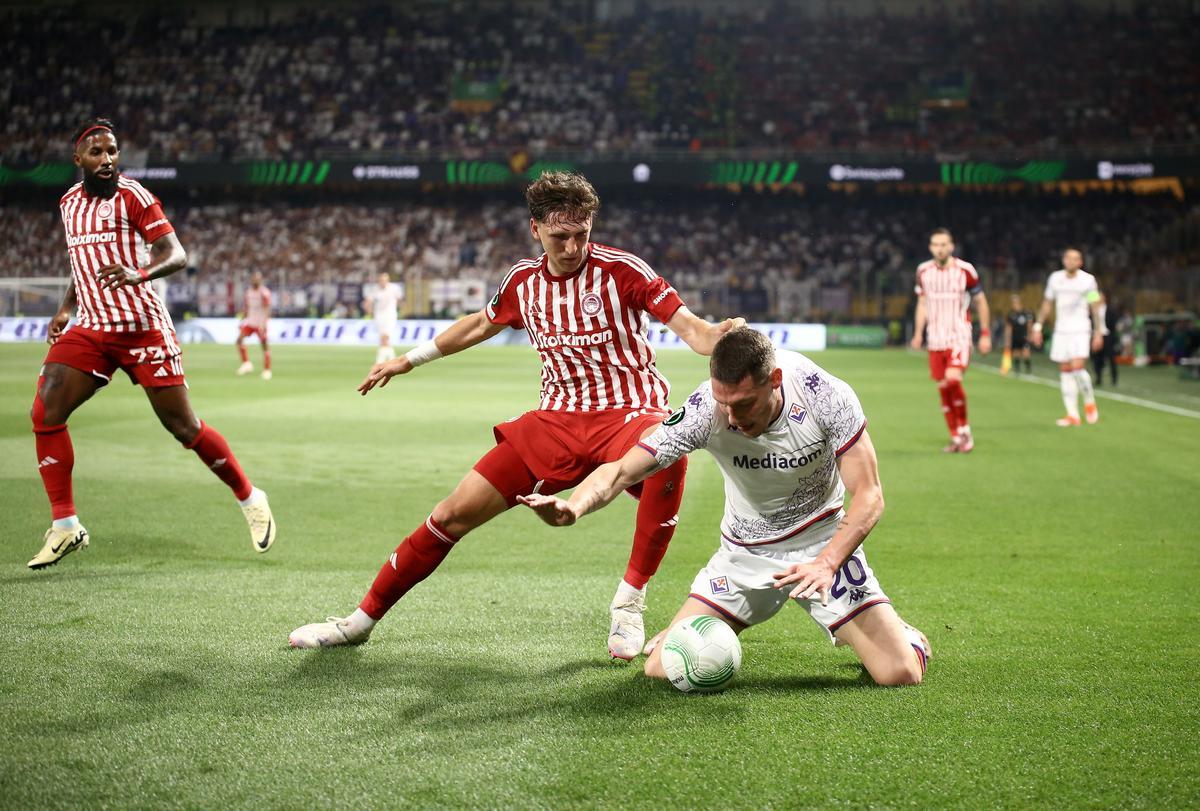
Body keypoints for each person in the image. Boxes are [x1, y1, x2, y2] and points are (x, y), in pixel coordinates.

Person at [289, 172, 744, 657]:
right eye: (559, 236)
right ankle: (360, 621)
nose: (572, 247)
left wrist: (719, 335)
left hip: (630, 412)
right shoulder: (522, 282)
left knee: (668, 451)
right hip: (556, 420)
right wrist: (407, 360)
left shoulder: (624, 271)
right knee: (451, 514)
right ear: (536, 230)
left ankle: (629, 603)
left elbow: (694, 333)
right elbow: (480, 324)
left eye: (581, 234)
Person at [521, 328, 930, 687]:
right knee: (661, 669)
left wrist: (826, 563)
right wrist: (575, 507)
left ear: (775, 381)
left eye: (744, 404)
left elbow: (870, 496)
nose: (732, 418)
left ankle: (895, 632)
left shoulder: (826, 396)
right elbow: (623, 471)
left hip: (821, 545)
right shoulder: (705, 410)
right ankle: (705, 625)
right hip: (744, 552)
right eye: (724, 402)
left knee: (899, 673)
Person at [27, 118, 276, 570]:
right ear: (78, 159)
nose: (107, 160)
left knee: (184, 427)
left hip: (143, 326)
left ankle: (249, 495)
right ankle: (65, 525)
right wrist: (66, 308)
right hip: (94, 328)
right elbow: (82, 264)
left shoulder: (135, 196)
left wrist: (137, 274)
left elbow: (176, 253)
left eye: (113, 151)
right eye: (97, 152)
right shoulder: (68, 204)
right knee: (45, 411)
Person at [910, 228, 991, 453]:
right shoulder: (923, 272)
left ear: (951, 246)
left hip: (959, 335)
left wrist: (985, 333)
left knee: (953, 379)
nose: (940, 248)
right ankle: (955, 436)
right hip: (935, 338)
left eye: (944, 244)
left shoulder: (966, 270)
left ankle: (964, 430)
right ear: (930, 247)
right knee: (943, 387)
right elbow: (922, 304)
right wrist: (918, 333)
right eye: (936, 244)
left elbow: (981, 302)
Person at [1031, 248, 1104, 426]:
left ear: (1080, 262)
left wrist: (1099, 331)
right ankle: (1072, 414)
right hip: (1061, 330)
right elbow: (1047, 303)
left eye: (1075, 259)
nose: (1071, 261)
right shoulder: (1055, 279)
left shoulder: (1088, 280)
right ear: (1064, 260)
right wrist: (1038, 326)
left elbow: (1095, 304)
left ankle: (1089, 402)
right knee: (1065, 371)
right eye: (1068, 258)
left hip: (1080, 328)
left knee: (1078, 368)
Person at [236, 271, 272, 379]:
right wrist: (243, 318)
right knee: (239, 340)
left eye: (257, 279)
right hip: (250, 322)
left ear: (260, 280)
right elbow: (247, 307)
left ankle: (267, 370)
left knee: (264, 345)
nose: (255, 280)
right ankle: (247, 364)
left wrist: (264, 323)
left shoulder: (264, 293)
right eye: (254, 278)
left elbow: (266, 309)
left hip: (260, 323)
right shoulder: (248, 292)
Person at [363, 271, 404, 364]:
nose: (383, 282)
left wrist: (399, 310)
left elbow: (400, 300)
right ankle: (392, 360)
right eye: (381, 280)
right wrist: (369, 310)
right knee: (383, 338)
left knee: (385, 336)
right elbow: (368, 301)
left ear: (388, 280)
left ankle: (379, 361)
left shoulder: (394, 288)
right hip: (379, 316)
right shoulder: (375, 289)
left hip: (390, 315)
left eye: (384, 280)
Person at [1090, 293, 1118, 386]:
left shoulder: (1110, 310)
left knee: (1111, 358)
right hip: (1096, 336)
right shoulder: (1093, 310)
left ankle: (1114, 379)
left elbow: (1113, 324)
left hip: (1107, 336)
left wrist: (1112, 336)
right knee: (1097, 359)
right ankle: (1098, 378)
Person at [1005, 293, 1035, 375]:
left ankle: (1028, 370)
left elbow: (1030, 325)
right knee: (1016, 353)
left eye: (1015, 302)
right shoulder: (1011, 314)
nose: (1014, 304)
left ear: (1019, 302)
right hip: (1015, 337)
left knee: (1026, 353)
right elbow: (1009, 328)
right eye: (1013, 302)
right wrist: (1008, 339)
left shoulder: (1026, 313)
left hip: (1024, 336)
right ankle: (1017, 370)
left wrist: (1030, 335)